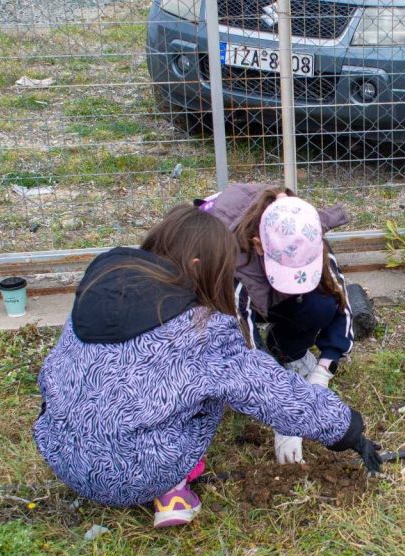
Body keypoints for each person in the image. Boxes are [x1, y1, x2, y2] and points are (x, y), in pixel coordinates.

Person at [33, 205, 381, 529]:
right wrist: (347, 430)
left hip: (60, 453)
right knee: (214, 389)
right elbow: (270, 391)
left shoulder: (102, 282)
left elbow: (54, 372)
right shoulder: (203, 326)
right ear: (199, 265)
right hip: (136, 476)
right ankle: (172, 487)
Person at [197, 183, 354, 465]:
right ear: (258, 245)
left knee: (321, 303)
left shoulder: (306, 233)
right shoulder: (231, 262)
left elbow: (340, 301)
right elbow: (246, 346)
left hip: (267, 289)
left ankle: (286, 350)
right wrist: (283, 414)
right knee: (224, 344)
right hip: (226, 292)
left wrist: (324, 370)